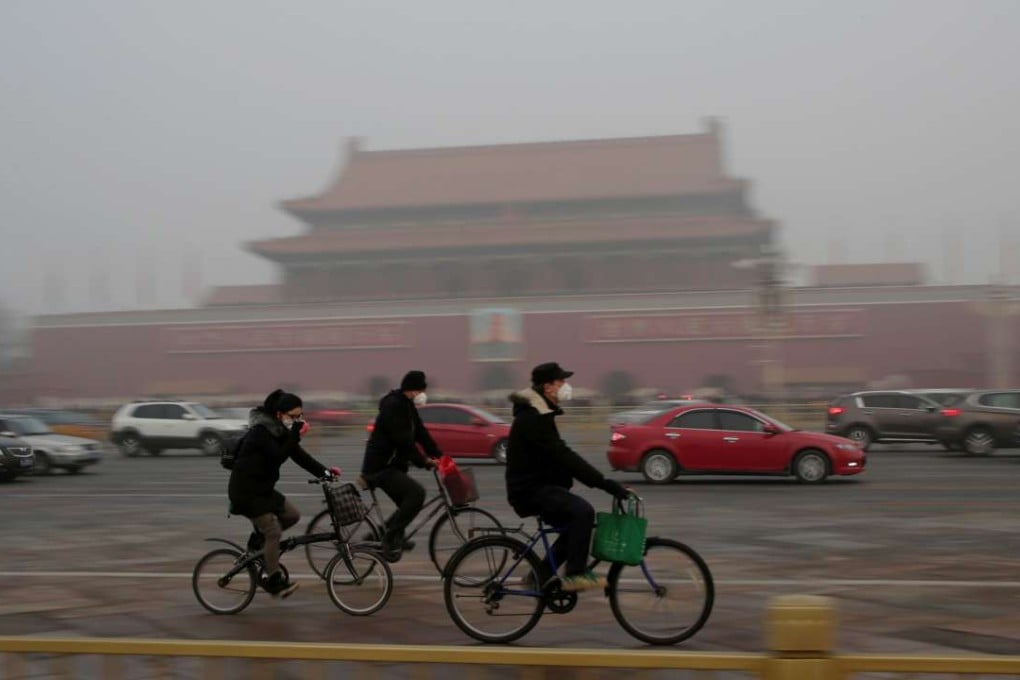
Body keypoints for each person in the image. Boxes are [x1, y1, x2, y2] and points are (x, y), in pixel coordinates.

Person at [506, 362, 630, 592]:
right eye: (561, 381)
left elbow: (558, 456)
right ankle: (575, 574)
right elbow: (563, 455)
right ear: (548, 387)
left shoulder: (539, 413)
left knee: (574, 527)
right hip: (530, 490)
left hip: (537, 486)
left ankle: (538, 576)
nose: (566, 385)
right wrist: (605, 484)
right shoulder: (533, 418)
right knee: (583, 512)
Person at [228, 389, 340, 598]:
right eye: (293, 416)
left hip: (263, 490)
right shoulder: (260, 432)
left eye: (300, 416)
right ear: (279, 414)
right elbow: (278, 455)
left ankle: (258, 545)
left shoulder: (280, 432)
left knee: (292, 515)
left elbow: (300, 457)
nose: (297, 420)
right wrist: (295, 434)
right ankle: (273, 580)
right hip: (246, 492)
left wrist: (325, 472)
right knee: (273, 532)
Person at [360, 370, 443, 560]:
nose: (423, 394)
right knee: (417, 494)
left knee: (408, 504)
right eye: (421, 390)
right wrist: (424, 461)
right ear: (413, 390)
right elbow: (404, 442)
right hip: (380, 467)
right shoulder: (393, 406)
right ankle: (389, 538)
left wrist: (438, 454)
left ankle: (379, 536)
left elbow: (421, 433)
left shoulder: (406, 406)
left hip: (392, 466)